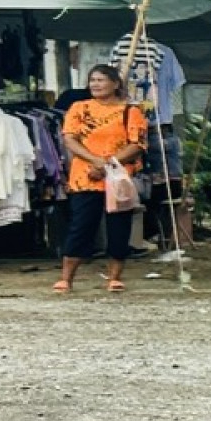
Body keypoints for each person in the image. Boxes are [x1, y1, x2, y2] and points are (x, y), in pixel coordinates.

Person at [56, 65, 146, 295]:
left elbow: (137, 144)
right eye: (92, 80)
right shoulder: (79, 108)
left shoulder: (130, 111)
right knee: (81, 226)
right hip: (85, 176)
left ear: (116, 84)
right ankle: (66, 278)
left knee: (119, 227)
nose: (95, 84)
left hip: (118, 177)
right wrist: (95, 160)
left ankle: (115, 277)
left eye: (101, 80)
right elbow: (70, 140)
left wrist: (107, 165)